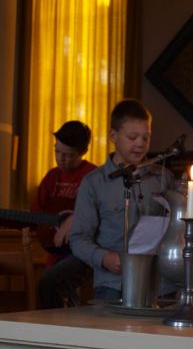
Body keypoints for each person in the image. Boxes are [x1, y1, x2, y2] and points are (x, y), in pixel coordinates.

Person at [70, 99, 174, 301]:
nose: (140, 144)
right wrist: (104, 258)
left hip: (158, 284)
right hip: (113, 283)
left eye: (146, 137)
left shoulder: (163, 178)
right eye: (132, 137)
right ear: (113, 136)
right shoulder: (94, 182)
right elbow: (78, 238)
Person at [36, 120, 97, 309]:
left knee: (52, 281)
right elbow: (35, 213)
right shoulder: (51, 177)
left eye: (68, 155)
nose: (61, 159)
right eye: (57, 152)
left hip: (83, 252)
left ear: (83, 151)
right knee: (47, 285)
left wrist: (75, 219)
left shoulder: (92, 176)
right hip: (56, 251)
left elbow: (100, 213)